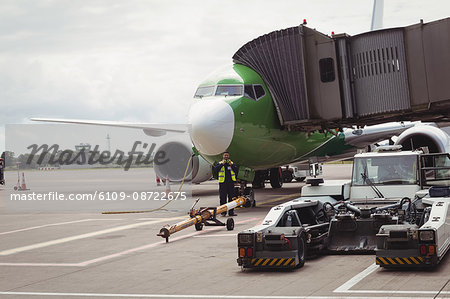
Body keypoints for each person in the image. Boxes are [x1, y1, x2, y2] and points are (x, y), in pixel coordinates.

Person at [214, 151, 239, 216]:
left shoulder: (232, 163)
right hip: (223, 183)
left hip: (230, 183)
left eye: (227, 155)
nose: (226, 157)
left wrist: (232, 165)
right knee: (223, 198)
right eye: (225, 155)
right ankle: (223, 212)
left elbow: (236, 170)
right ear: (223, 156)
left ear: (229, 156)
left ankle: (231, 212)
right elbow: (216, 170)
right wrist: (222, 164)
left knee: (231, 198)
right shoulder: (219, 163)